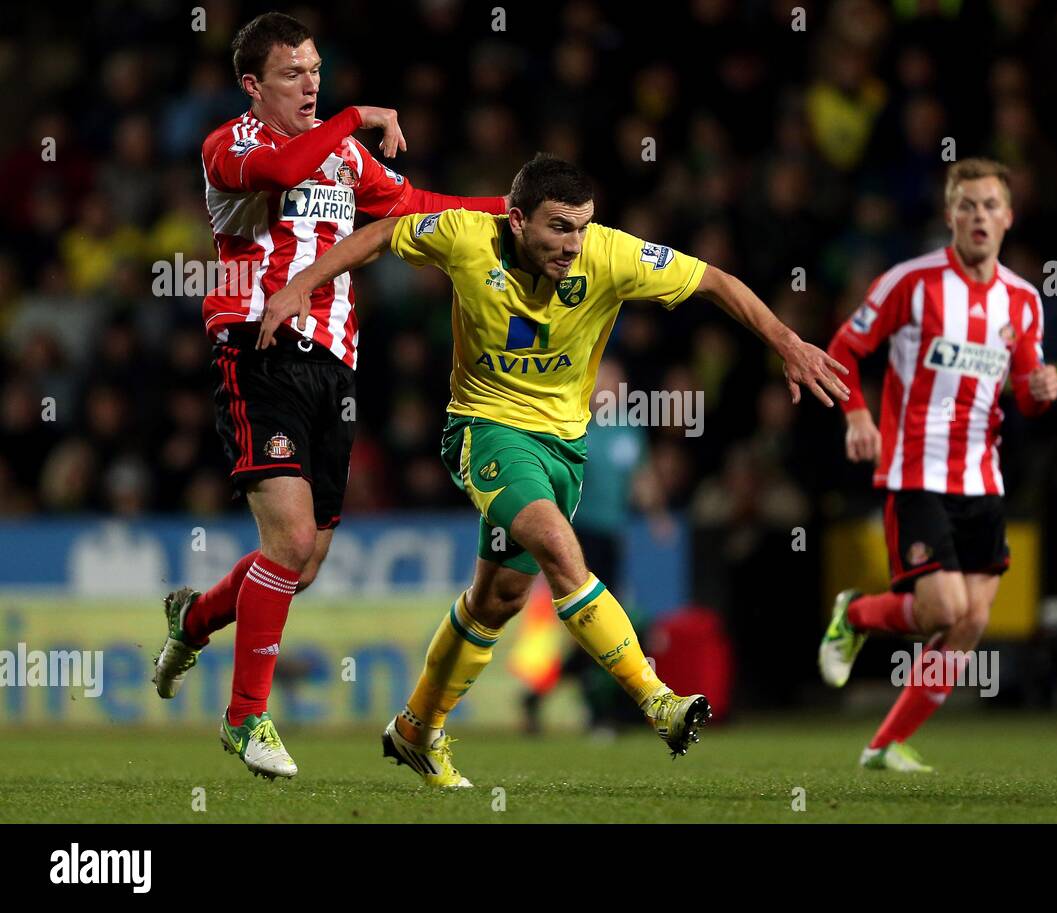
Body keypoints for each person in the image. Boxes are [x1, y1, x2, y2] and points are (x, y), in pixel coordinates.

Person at [261, 152, 850, 787]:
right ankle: (659, 702)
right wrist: (303, 284)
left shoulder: (610, 255)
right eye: (558, 228)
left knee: (499, 599)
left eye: (582, 227)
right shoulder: (464, 235)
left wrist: (788, 343)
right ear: (515, 221)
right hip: (486, 431)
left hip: (565, 447)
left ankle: (415, 729)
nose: (573, 244)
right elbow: (381, 232)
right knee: (559, 548)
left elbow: (714, 281)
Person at [151, 11, 506, 780]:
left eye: (317, 70)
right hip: (259, 350)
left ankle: (194, 616)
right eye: (292, 74)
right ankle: (245, 719)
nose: (311, 85)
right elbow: (281, 174)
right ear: (253, 85)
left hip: (335, 370)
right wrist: (355, 114)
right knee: (288, 545)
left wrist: (507, 213)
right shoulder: (232, 146)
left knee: (302, 562)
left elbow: (413, 207)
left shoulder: (344, 158)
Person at [818, 158, 1057, 772]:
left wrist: (1042, 388)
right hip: (915, 470)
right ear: (950, 215)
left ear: (1009, 216)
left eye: (990, 206)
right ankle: (856, 613)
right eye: (967, 205)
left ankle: (883, 744)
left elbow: (1027, 397)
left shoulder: (1023, 301)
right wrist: (857, 417)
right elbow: (846, 345)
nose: (978, 216)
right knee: (945, 611)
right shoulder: (912, 282)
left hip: (983, 476)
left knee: (972, 623)